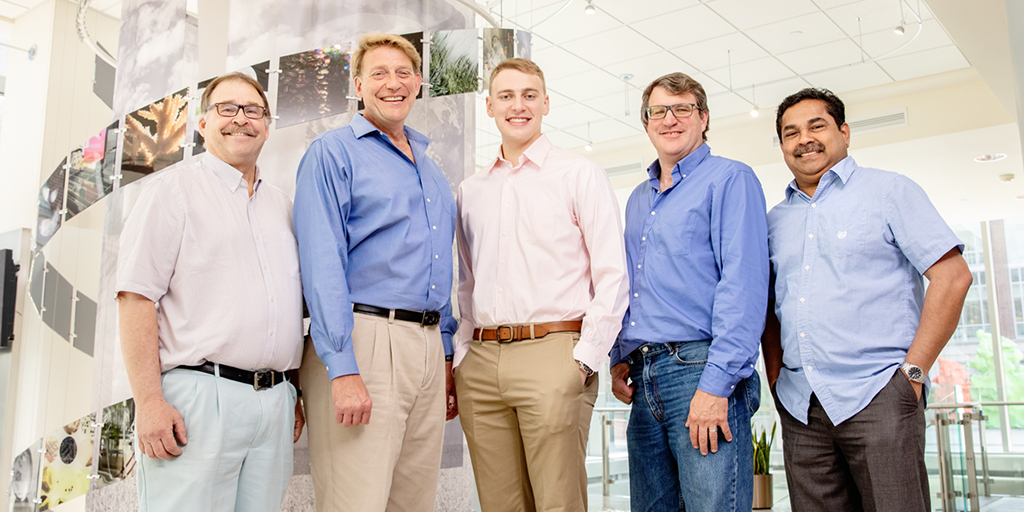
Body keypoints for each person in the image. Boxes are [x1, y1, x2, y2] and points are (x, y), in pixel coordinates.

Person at [763, 87, 972, 512]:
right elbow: (768, 307)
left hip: (879, 395)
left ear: (844, 132)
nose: (804, 139)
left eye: (816, 126)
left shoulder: (889, 191)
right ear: (782, 145)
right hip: (802, 407)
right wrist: (775, 379)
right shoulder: (774, 221)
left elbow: (953, 277)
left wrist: (912, 376)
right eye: (791, 133)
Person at [116, 71, 305, 512]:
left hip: (274, 403)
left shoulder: (283, 206)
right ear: (203, 124)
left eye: (253, 110)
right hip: (200, 398)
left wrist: (292, 392)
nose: (241, 118)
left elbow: (288, 311)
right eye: (227, 108)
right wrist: (149, 402)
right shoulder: (172, 192)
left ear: (267, 126)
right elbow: (136, 298)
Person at [454, 58, 629, 512]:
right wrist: (462, 355)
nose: (518, 105)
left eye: (529, 95)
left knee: (558, 503)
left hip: (554, 353)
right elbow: (466, 283)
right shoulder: (470, 190)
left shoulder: (579, 173)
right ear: (489, 106)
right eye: (506, 96)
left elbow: (613, 274)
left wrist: (585, 359)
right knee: (500, 505)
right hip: (482, 361)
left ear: (546, 103)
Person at [292, 33, 457, 512]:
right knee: (355, 501)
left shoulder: (431, 170)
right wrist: (342, 366)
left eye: (403, 73)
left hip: (427, 347)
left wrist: (445, 356)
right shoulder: (332, 153)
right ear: (359, 85)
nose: (393, 83)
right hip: (364, 339)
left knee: (414, 503)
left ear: (419, 82)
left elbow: (440, 265)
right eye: (379, 74)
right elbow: (322, 262)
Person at [609, 72, 768, 511]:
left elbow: (744, 287)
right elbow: (632, 282)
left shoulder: (730, 179)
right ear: (646, 122)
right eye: (658, 111)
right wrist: (619, 354)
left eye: (682, 109)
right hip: (644, 374)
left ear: (704, 118)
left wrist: (716, 385)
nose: (670, 119)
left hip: (700, 369)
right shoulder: (638, 198)